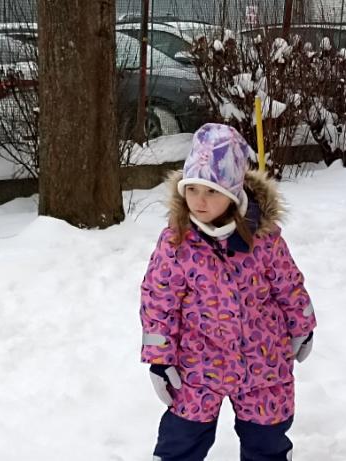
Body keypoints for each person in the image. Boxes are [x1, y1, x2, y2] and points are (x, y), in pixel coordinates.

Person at [139, 123, 316, 461]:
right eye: (192, 189)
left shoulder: (263, 238)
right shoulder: (177, 242)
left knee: (267, 439)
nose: (199, 201)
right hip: (197, 363)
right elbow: (158, 301)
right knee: (181, 440)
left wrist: (302, 326)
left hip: (264, 361)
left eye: (211, 191)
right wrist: (160, 359)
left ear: (233, 192)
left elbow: (288, 284)